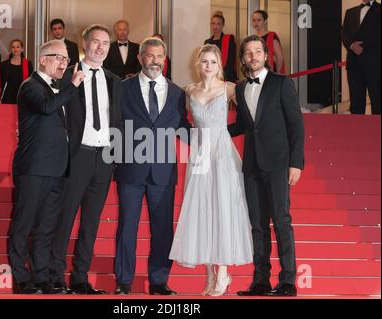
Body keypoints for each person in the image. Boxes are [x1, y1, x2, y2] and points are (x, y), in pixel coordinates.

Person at [169, 44, 253, 297]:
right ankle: (210, 275)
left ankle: (224, 272)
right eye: (204, 61)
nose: (208, 66)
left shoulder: (229, 88)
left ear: (219, 65)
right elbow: (181, 122)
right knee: (200, 209)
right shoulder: (189, 91)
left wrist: (225, 134)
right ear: (198, 63)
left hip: (223, 154)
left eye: (213, 62)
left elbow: (246, 119)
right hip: (200, 155)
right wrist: (193, 141)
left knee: (223, 208)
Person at [113, 37, 192, 295]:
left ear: (165, 59)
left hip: (162, 171)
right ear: (140, 58)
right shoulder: (122, 89)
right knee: (127, 227)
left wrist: (212, 139)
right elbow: (112, 125)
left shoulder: (177, 93)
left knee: (162, 230)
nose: (155, 61)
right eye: (149, 55)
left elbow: (183, 128)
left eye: (159, 56)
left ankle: (159, 281)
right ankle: (123, 282)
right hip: (130, 170)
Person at [49, 24, 123, 295]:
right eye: (96, 42)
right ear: (84, 43)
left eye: (105, 43)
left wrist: (116, 155)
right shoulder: (65, 76)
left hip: (104, 159)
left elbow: (119, 122)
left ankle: (80, 278)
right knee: (65, 218)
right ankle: (55, 276)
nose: (101, 47)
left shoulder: (116, 80)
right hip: (76, 157)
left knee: (91, 223)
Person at [228, 35, 304, 297]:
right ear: (243, 59)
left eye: (257, 51)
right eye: (248, 53)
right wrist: (212, 131)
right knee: (257, 225)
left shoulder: (282, 83)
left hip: (278, 163)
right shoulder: (240, 88)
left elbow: (296, 125)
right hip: (251, 166)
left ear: (265, 54)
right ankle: (260, 281)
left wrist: (296, 163)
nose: (253, 56)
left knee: (281, 221)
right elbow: (242, 125)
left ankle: (287, 282)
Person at [8, 40, 85, 294]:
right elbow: (45, 108)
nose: (64, 63)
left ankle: (41, 278)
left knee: (46, 227)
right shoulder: (30, 86)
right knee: (24, 223)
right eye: (59, 58)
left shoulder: (58, 88)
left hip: (58, 168)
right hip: (34, 167)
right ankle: (21, 278)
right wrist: (72, 85)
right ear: (43, 59)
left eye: (66, 59)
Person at [342, 0, 381, 114]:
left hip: (375, 63)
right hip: (354, 64)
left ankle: (376, 130)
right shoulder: (350, 12)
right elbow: (344, 33)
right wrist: (352, 45)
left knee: (377, 100)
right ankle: (356, 131)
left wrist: (364, 46)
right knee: (356, 102)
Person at [204, 11, 238, 83]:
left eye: (218, 24)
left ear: (223, 25)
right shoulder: (207, 42)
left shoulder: (229, 39)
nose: (215, 26)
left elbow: (232, 59)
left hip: (227, 76)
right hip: (211, 76)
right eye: (213, 23)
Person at [252, 10, 286, 74]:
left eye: (259, 20)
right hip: (256, 71)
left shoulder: (271, 36)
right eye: (254, 20)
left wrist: (278, 73)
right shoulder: (252, 38)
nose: (256, 23)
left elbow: (279, 57)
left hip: (269, 71)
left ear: (265, 21)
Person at [1, 39, 33, 104]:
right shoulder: (4, 64)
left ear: (22, 49)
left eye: (18, 47)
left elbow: (31, 81)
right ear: (10, 49)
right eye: (13, 47)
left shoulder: (28, 64)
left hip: (23, 96)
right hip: (8, 97)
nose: (15, 49)